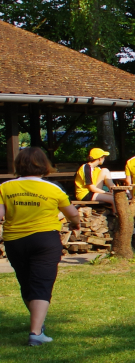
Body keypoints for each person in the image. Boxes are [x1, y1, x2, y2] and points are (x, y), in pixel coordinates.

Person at [1, 147, 82, 345]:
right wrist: (75, 224)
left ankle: (37, 325)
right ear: (44, 165)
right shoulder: (53, 188)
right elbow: (72, 213)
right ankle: (36, 333)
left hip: (15, 241)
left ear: (18, 165)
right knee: (42, 284)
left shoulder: (5, 187)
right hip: (45, 240)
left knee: (26, 282)